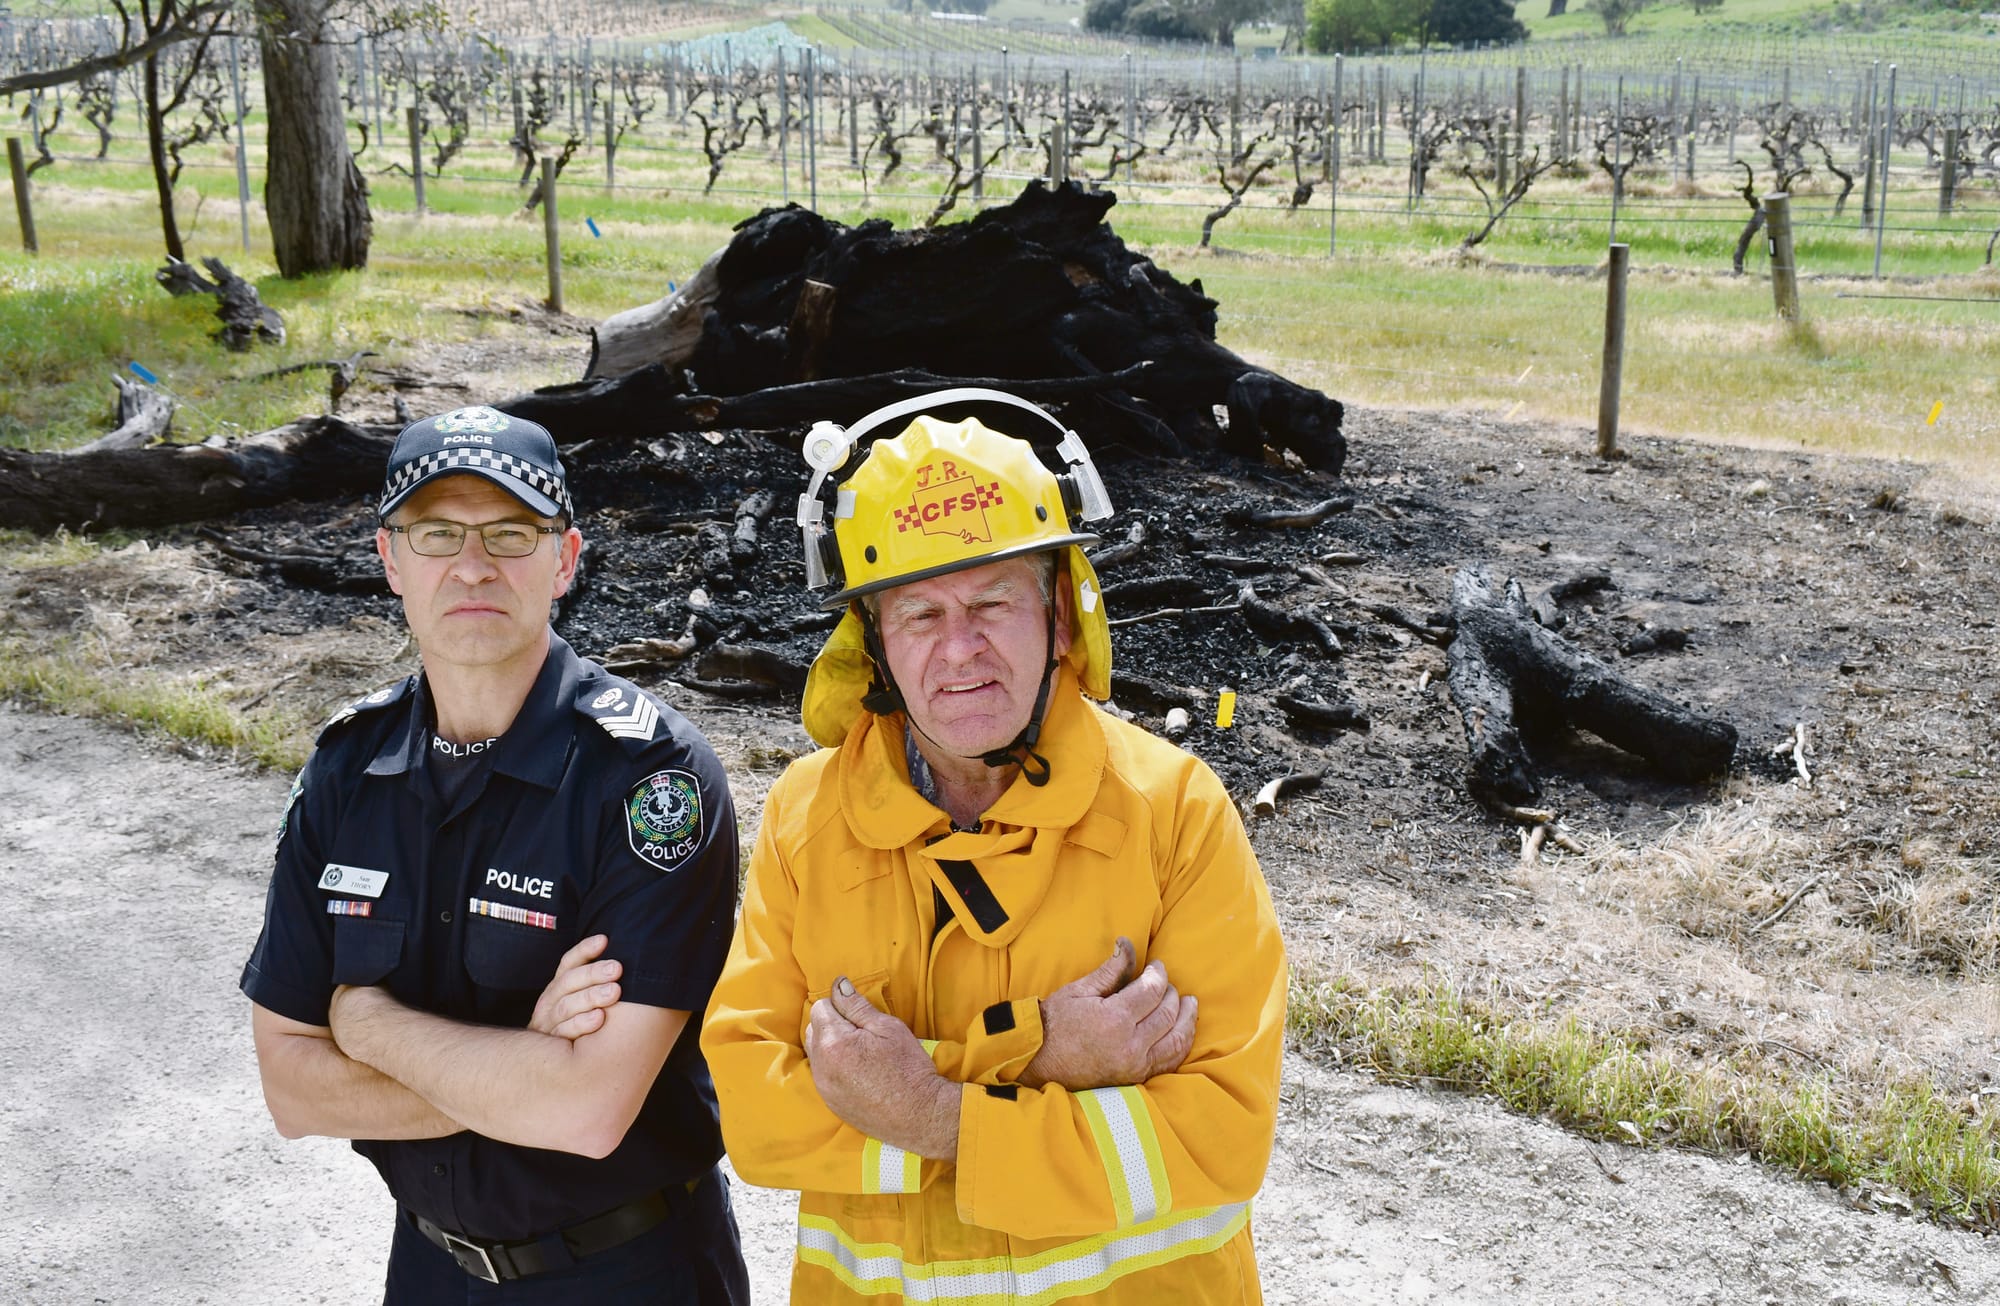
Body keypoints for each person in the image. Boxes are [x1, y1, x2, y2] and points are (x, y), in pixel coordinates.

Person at [701, 388, 1287, 1303]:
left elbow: (1220, 1138)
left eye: (992, 602)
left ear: (1061, 612)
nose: (961, 650)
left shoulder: (1172, 811)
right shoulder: (804, 821)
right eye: (919, 615)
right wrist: (1037, 1055)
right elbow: (758, 1119)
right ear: (875, 645)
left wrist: (930, 1110)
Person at [240, 404, 750, 1303]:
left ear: (565, 560)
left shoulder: (652, 780)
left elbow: (585, 1112)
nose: (473, 566)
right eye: (437, 534)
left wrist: (367, 1026)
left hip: (630, 1270)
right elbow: (292, 1090)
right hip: (429, 1267)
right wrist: (522, 1062)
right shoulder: (345, 769)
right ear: (390, 558)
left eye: (511, 533)